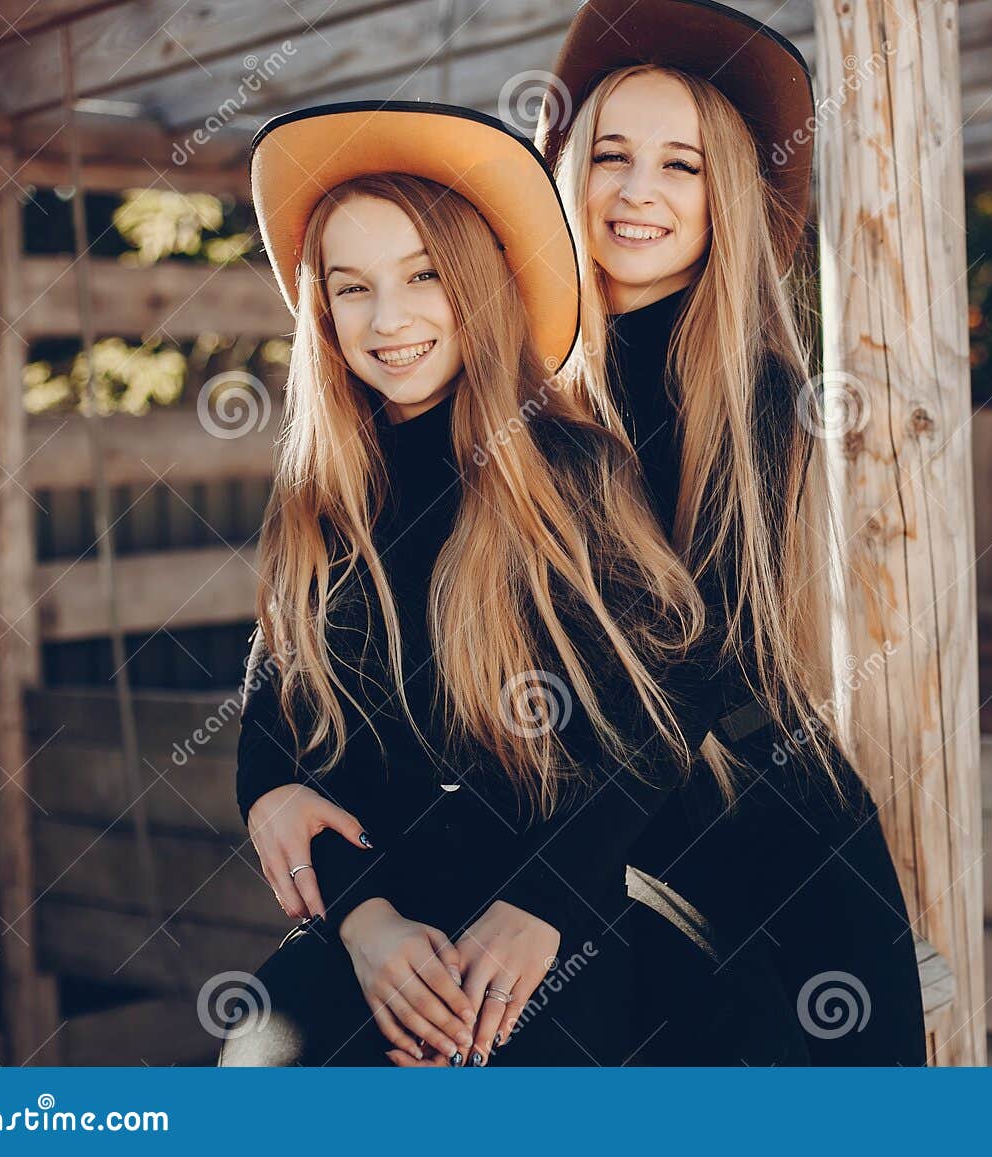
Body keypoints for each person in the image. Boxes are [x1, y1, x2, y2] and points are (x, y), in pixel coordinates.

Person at [217, 101, 757, 1067]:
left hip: (549, 916)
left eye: (423, 274)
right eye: (352, 288)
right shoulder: (321, 503)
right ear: (321, 311)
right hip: (378, 915)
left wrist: (546, 901)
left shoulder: (572, 472)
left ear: (476, 279)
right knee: (267, 1057)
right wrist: (364, 919)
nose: (389, 320)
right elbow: (280, 738)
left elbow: (658, 714)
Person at [536, 0, 929, 1065]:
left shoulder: (750, 389)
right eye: (611, 154)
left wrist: (553, 871)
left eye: (682, 165)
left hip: (743, 816)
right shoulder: (508, 390)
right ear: (570, 173)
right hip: (565, 801)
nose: (638, 191)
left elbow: (696, 655)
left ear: (725, 200)